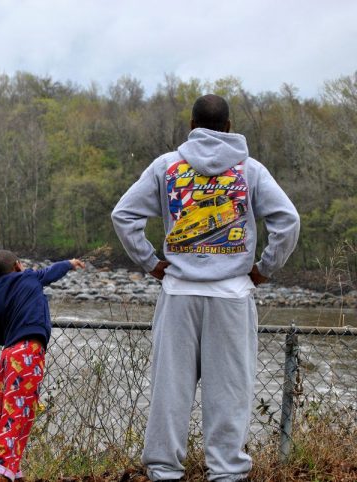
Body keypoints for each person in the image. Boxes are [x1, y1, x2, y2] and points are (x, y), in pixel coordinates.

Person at [111, 94, 300, 481]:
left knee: (170, 389)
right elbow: (288, 221)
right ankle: (227, 471)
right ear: (229, 127)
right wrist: (264, 268)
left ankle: (163, 470)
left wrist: (151, 262)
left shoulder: (166, 167)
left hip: (178, 293)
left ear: (192, 126)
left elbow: (124, 214)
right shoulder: (251, 170)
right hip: (232, 295)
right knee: (229, 391)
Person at [0, 250, 85, 482]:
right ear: (18, 266)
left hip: (8, 355)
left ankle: (13, 470)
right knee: (19, 410)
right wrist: (69, 263)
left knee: (6, 409)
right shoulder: (28, 277)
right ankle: (0, 471)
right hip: (28, 353)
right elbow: (51, 272)